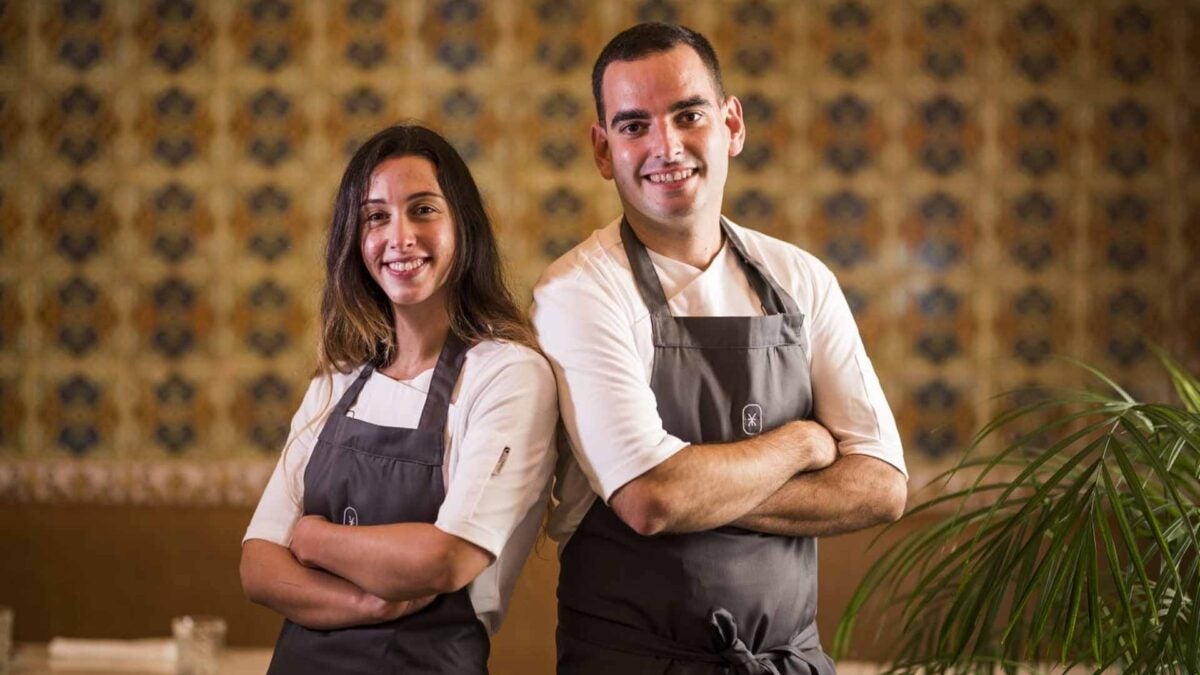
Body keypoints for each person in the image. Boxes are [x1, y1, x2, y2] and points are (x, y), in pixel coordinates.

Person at [531, 23, 909, 674]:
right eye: (633, 125)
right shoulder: (579, 291)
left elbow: (881, 486)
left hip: (792, 661)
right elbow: (651, 498)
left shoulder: (800, 280)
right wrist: (803, 445)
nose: (666, 145)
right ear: (602, 150)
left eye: (688, 114)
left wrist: (701, 491)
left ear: (732, 123)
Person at [240, 124, 558, 674]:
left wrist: (311, 537)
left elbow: (447, 557)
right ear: (354, 238)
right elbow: (258, 566)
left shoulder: (507, 374)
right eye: (376, 217)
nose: (399, 237)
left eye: (424, 210)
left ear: (464, 225)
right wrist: (368, 602)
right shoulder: (338, 380)